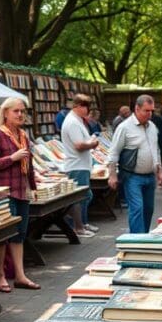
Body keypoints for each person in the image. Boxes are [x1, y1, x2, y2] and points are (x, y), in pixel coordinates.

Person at [0, 97, 40, 292]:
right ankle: (0, 276)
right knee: (3, 235)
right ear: (5, 113)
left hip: (21, 191)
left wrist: (33, 187)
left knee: (19, 235)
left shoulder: (23, 135)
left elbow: (28, 165)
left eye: (23, 111)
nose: (20, 114)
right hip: (3, 193)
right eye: (16, 111)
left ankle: (20, 276)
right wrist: (11, 158)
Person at [107, 95, 162, 234]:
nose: (150, 114)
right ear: (137, 109)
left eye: (152, 111)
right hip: (132, 176)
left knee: (148, 209)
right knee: (137, 208)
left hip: (150, 176)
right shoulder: (124, 127)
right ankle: (137, 241)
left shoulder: (152, 127)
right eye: (146, 111)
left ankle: (143, 237)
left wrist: (159, 171)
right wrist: (112, 175)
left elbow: (155, 149)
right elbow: (113, 153)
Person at [61, 94, 100, 237]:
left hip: (81, 164)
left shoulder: (77, 121)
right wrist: (93, 143)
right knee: (81, 197)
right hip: (77, 165)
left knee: (85, 196)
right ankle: (78, 227)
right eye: (85, 107)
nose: (87, 110)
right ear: (77, 106)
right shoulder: (72, 122)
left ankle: (82, 223)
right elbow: (79, 145)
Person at [151, 106, 162, 174]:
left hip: (153, 137)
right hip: (160, 136)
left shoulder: (148, 119)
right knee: (160, 149)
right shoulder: (160, 118)